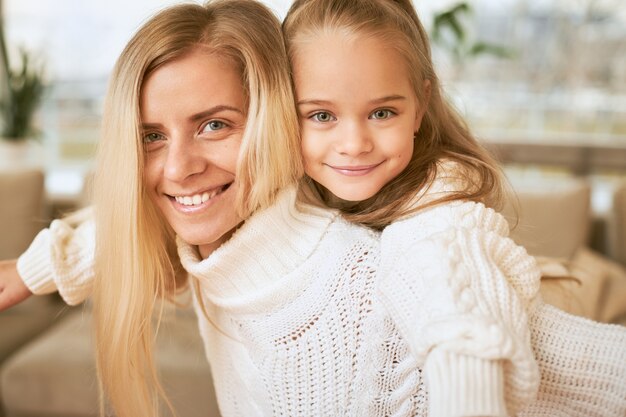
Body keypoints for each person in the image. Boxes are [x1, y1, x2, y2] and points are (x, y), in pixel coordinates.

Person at [1, 1, 625, 417]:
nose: (176, 167)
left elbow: (472, 339)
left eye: (216, 124)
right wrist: (32, 271)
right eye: (148, 136)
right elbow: (129, 216)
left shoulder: (413, 244)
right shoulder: (229, 238)